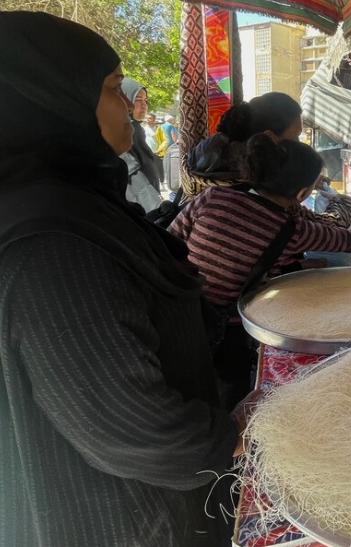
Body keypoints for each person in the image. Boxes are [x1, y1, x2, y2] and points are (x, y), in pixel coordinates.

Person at [0, 12, 240, 546]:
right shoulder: (53, 248)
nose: (130, 105)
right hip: (125, 519)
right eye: (112, 88)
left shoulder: (73, 198)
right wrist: (244, 443)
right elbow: (133, 430)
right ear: (50, 101)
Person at [169, 136, 351, 409]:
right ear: (302, 194)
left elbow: (170, 240)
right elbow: (344, 240)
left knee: (189, 384)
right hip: (224, 325)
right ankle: (235, 428)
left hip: (173, 306)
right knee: (228, 386)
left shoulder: (212, 196)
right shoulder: (291, 229)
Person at [120, 77, 163, 211]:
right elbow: (133, 175)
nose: (144, 105)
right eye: (138, 100)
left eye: (145, 100)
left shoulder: (135, 129)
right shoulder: (125, 130)